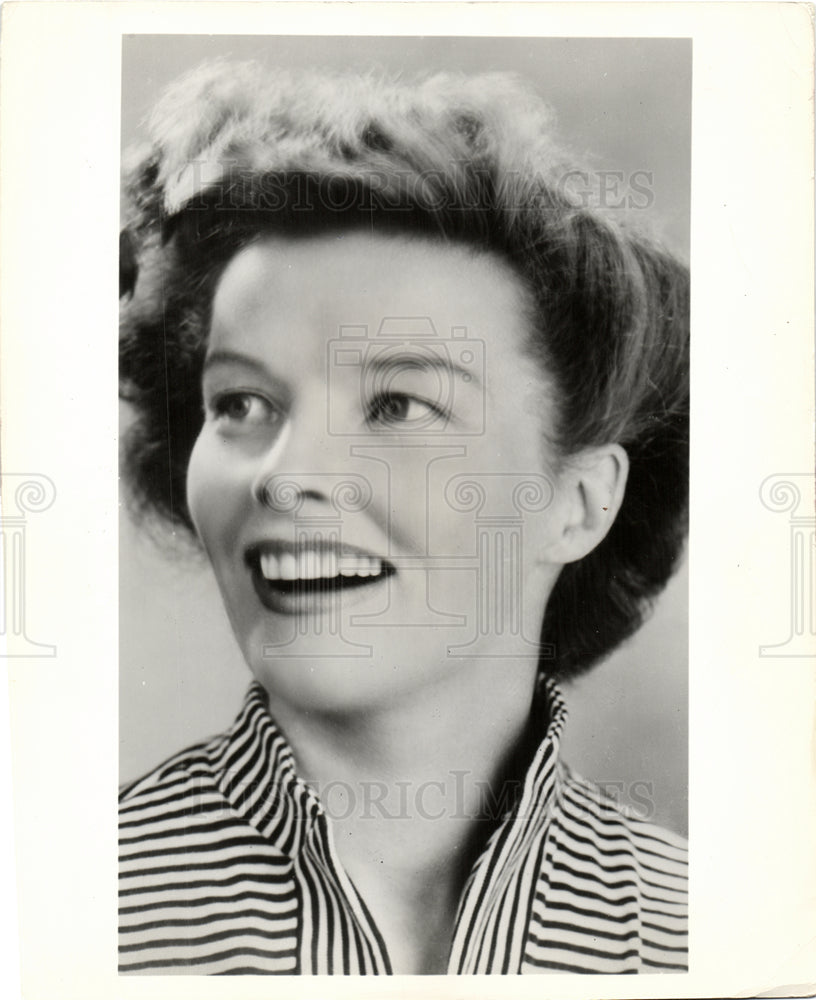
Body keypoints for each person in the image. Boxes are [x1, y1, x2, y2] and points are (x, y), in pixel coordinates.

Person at [118, 60, 689, 975]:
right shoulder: (73, 907)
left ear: (579, 503)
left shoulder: (705, 935)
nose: (285, 476)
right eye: (240, 404)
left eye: (396, 406)